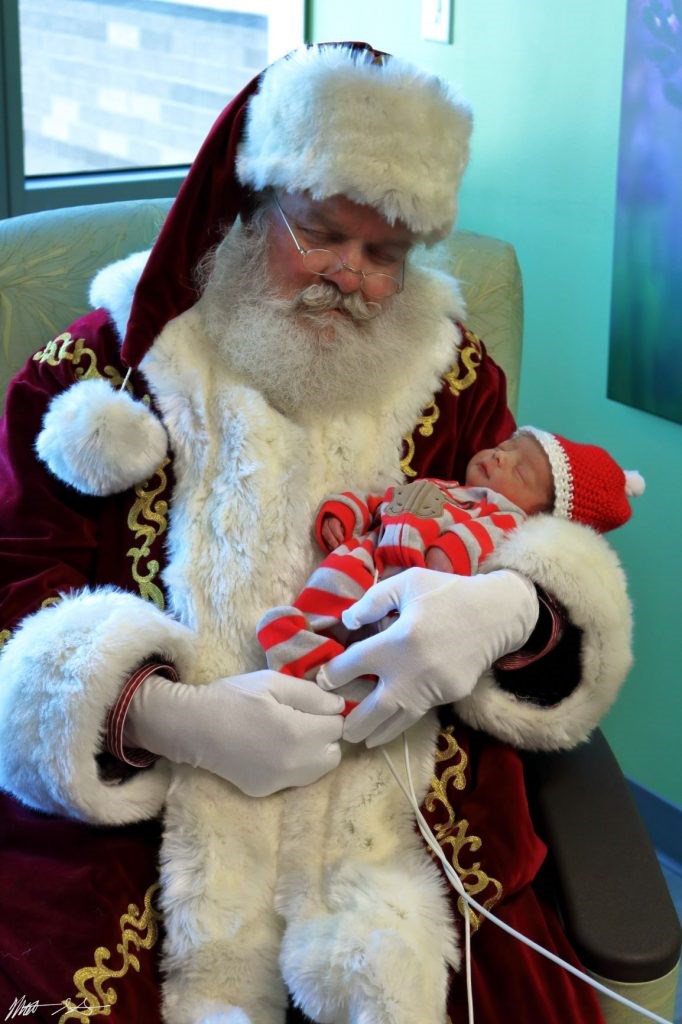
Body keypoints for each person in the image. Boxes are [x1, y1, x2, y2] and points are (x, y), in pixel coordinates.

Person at [0, 43, 634, 1024]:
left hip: (403, 817)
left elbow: (527, 542)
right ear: (254, 205)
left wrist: (502, 607)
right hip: (145, 816)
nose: (349, 275)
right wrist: (166, 715)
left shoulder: (454, 377)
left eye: (385, 255)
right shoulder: (95, 378)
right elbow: (13, 597)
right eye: (322, 233)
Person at [260, 428, 643, 697]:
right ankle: (305, 641)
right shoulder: (442, 487)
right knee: (330, 588)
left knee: (378, 646)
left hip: (406, 589)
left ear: (538, 515)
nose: (500, 457)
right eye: (506, 446)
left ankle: (329, 680)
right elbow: (385, 500)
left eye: (519, 470)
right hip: (364, 555)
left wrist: (440, 562)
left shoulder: (505, 518)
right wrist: (345, 514)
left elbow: (474, 546)